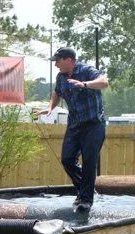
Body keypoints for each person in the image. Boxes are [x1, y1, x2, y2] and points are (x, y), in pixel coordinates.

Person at [36, 47, 108, 211]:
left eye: (58, 61)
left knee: (89, 161)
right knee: (67, 159)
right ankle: (85, 189)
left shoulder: (86, 70)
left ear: (69, 60)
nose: (56, 65)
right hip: (75, 125)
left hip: (94, 124)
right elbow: (57, 92)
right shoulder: (61, 77)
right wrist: (50, 107)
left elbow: (104, 82)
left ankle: (86, 199)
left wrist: (84, 84)